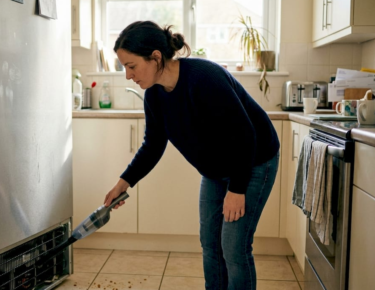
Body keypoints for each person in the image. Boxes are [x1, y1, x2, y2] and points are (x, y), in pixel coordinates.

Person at [103, 21, 280, 290]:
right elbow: (153, 145)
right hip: (215, 171)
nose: (128, 75)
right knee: (210, 245)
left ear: (156, 57)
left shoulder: (204, 77)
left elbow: (245, 135)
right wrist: (123, 182)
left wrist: (237, 188)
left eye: (131, 66)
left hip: (253, 161)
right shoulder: (154, 95)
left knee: (233, 248)